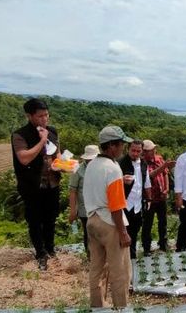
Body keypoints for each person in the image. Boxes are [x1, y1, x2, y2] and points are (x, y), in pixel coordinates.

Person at [83, 125, 133, 308]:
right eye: (121, 144)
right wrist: (123, 232)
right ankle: (121, 307)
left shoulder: (91, 165)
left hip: (92, 220)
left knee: (97, 268)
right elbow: (116, 206)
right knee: (120, 271)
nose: (122, 148)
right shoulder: (112, 168)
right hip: (109, 223)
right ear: (111, 145)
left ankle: (97, 306)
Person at [11, 97, 62, 271]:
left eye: (46, 115)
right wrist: (42, 140)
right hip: (32, 185)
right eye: (40, 116)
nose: (44, 119)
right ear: (29, 116)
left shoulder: (53, 131)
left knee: (50, 217)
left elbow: (58, 155)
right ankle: (40, 252)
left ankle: (50, 248)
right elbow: (24, 158)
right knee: (35, 219)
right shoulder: (20, 135)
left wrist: (63, 164)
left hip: (52, 182)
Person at [119, 140, 152, 259]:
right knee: (122, 234)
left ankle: (131, 259)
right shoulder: (120, 163)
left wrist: (149, 199)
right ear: (128, 149)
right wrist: (121, 179)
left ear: (142, 151)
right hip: (124, 204)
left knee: (134, 233)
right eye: (133, 150)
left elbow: (147, 183)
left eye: (138, 151)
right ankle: (122, 260)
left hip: (138, 205)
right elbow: (111, 181)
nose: (135, 153)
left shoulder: (143, 164)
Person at [142, 139, 175, 253]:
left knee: (163, 222)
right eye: (151, 150)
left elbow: (165, 173)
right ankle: (146, 247)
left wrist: (166, 189)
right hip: (149, 198)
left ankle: (163, 243)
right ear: (145, 152)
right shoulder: (142, 162)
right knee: (148, 223)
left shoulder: (159, 158)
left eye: (154, 149)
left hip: (161, 197)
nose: (154, 151)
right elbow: (149, 176)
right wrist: (164, 166)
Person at [69, 144, 100, 257]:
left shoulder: (101, 167)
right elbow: (72, 191)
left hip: (100, 207)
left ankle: (100, 257)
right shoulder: (78, 170)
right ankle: (90, 257)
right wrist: (73, 211)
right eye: (89, 159)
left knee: (100, 233)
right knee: (89, 234)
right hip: (85, 208)